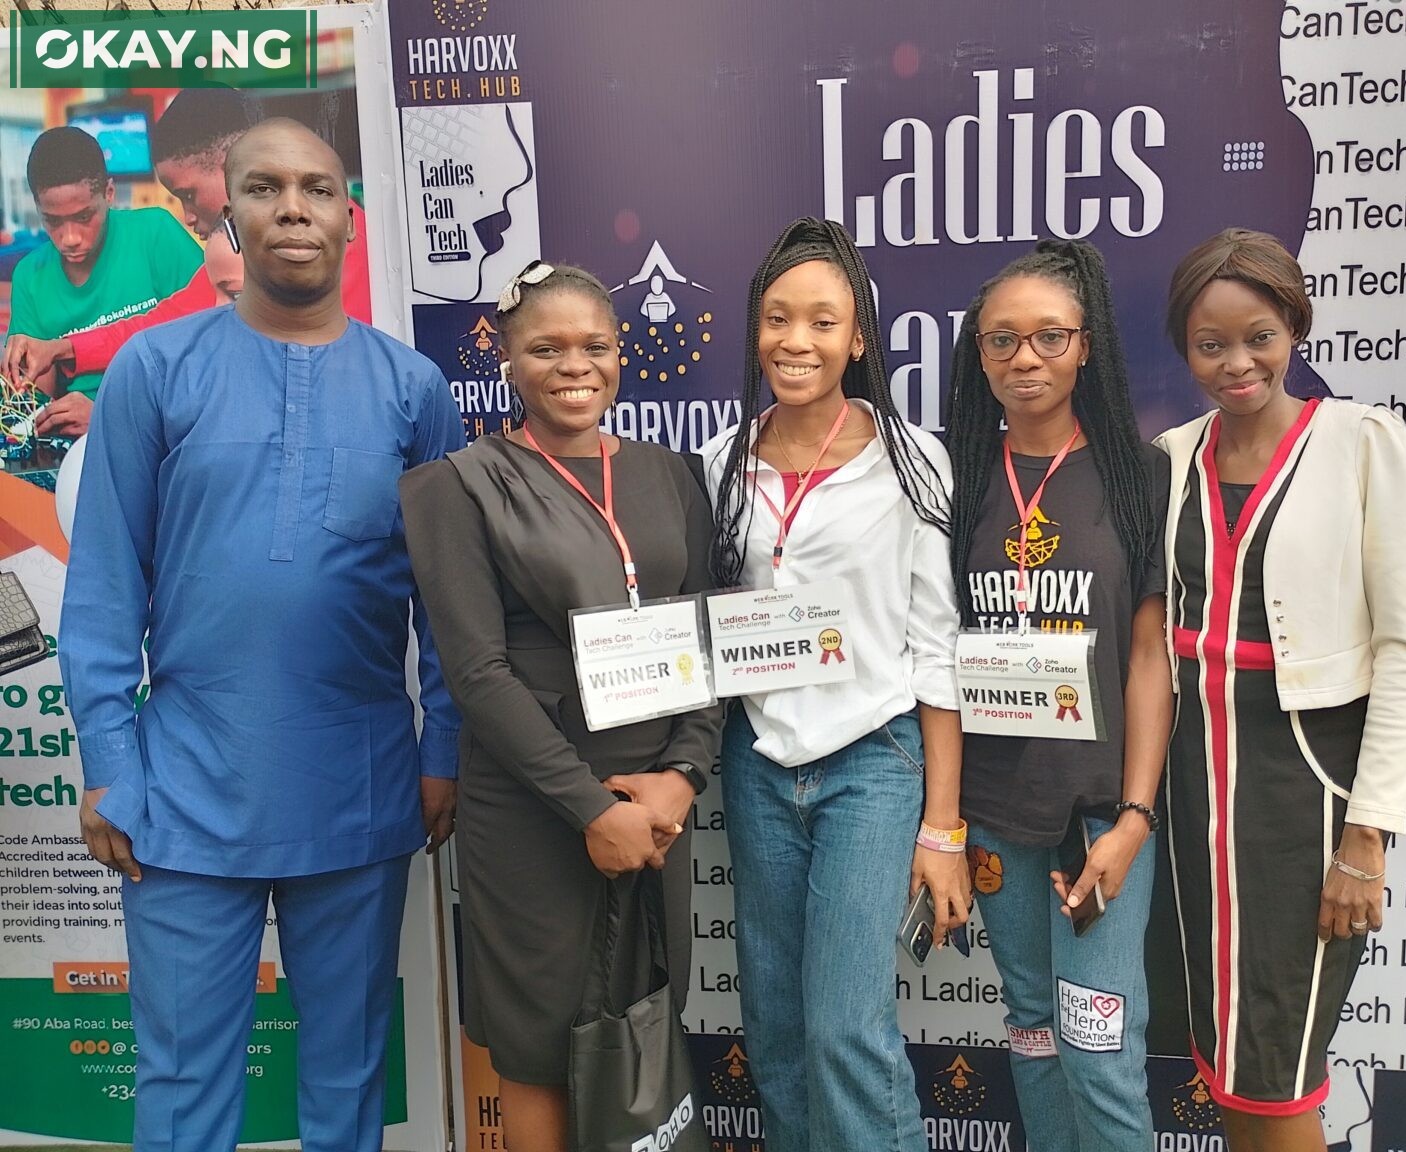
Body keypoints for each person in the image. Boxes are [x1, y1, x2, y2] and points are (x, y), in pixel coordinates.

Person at [58, 119, 464, 1152]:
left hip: (359, 784)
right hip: (184, 788)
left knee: (348, 1076)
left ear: (348, 216)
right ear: (227, 216)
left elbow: (450, 602)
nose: (293, 209)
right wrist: (109, 763)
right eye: (266, 188)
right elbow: (103, 587)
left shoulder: (412, 389)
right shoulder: (156, 370)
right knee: (182, 1084)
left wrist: (444, 752)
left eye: (317, 189)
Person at [400, 261, 723, 1152]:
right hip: (533, 806)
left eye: (594, 346)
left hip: (656, 806)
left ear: (620, 355)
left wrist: (683, 777)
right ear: (506, 360)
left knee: (643, 1022)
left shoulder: (673, 475)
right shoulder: (463, 484)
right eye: (546, 349)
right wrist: (590, 810)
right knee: (539, 1046)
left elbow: (707, 637)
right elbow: (477, 674)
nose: (574, 366)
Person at [1157, 229, 1406, 1151]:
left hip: (1304, 788)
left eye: (1261, 337)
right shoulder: (1170, 458)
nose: (1238, 363)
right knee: (1230, 1063)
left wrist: (1367, 837)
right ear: (1185, 347)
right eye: (1212, 344)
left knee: (1274, 1068)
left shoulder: (1359, 443)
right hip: (1191, 788)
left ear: (1295, 330)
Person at [702, 217, 966, 1152]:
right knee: (775, 1028)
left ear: (859, 339)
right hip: (758, 761)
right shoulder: (722, 461)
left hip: (873, 760)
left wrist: (942, 827)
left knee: (846, 1031)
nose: (796, 341)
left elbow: (936, 647)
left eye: (823, 321)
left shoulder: (912, 459)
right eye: (778, 318)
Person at [945, 239, 1171, 1150]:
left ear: (1086, 346)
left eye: (1049, 337)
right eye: (1001, 340)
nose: (1024, 358)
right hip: (996, 815)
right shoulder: (954, 480)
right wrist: (946, 825)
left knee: (1099, 1051)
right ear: (979, 355)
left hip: (1099, 819)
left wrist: (1135, 818)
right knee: (1034, 1031)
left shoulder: (1139, 475)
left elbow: (1149, 657)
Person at [3, 87, 373, 401]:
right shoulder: (243, 247)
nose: (188, 216)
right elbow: (171, 320)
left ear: (234, 165)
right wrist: (64, 348)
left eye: (189, 195)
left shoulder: (336, 243)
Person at [1, 126, 202, 437]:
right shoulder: (30, 275)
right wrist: (24, 400)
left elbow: (205, 355)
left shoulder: (155, 233)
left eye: (84, 217)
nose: (69, 238)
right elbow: (32, 405)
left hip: (168, 424)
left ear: (109, 193)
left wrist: (108, 417)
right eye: (53, 220)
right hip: (76, 441)